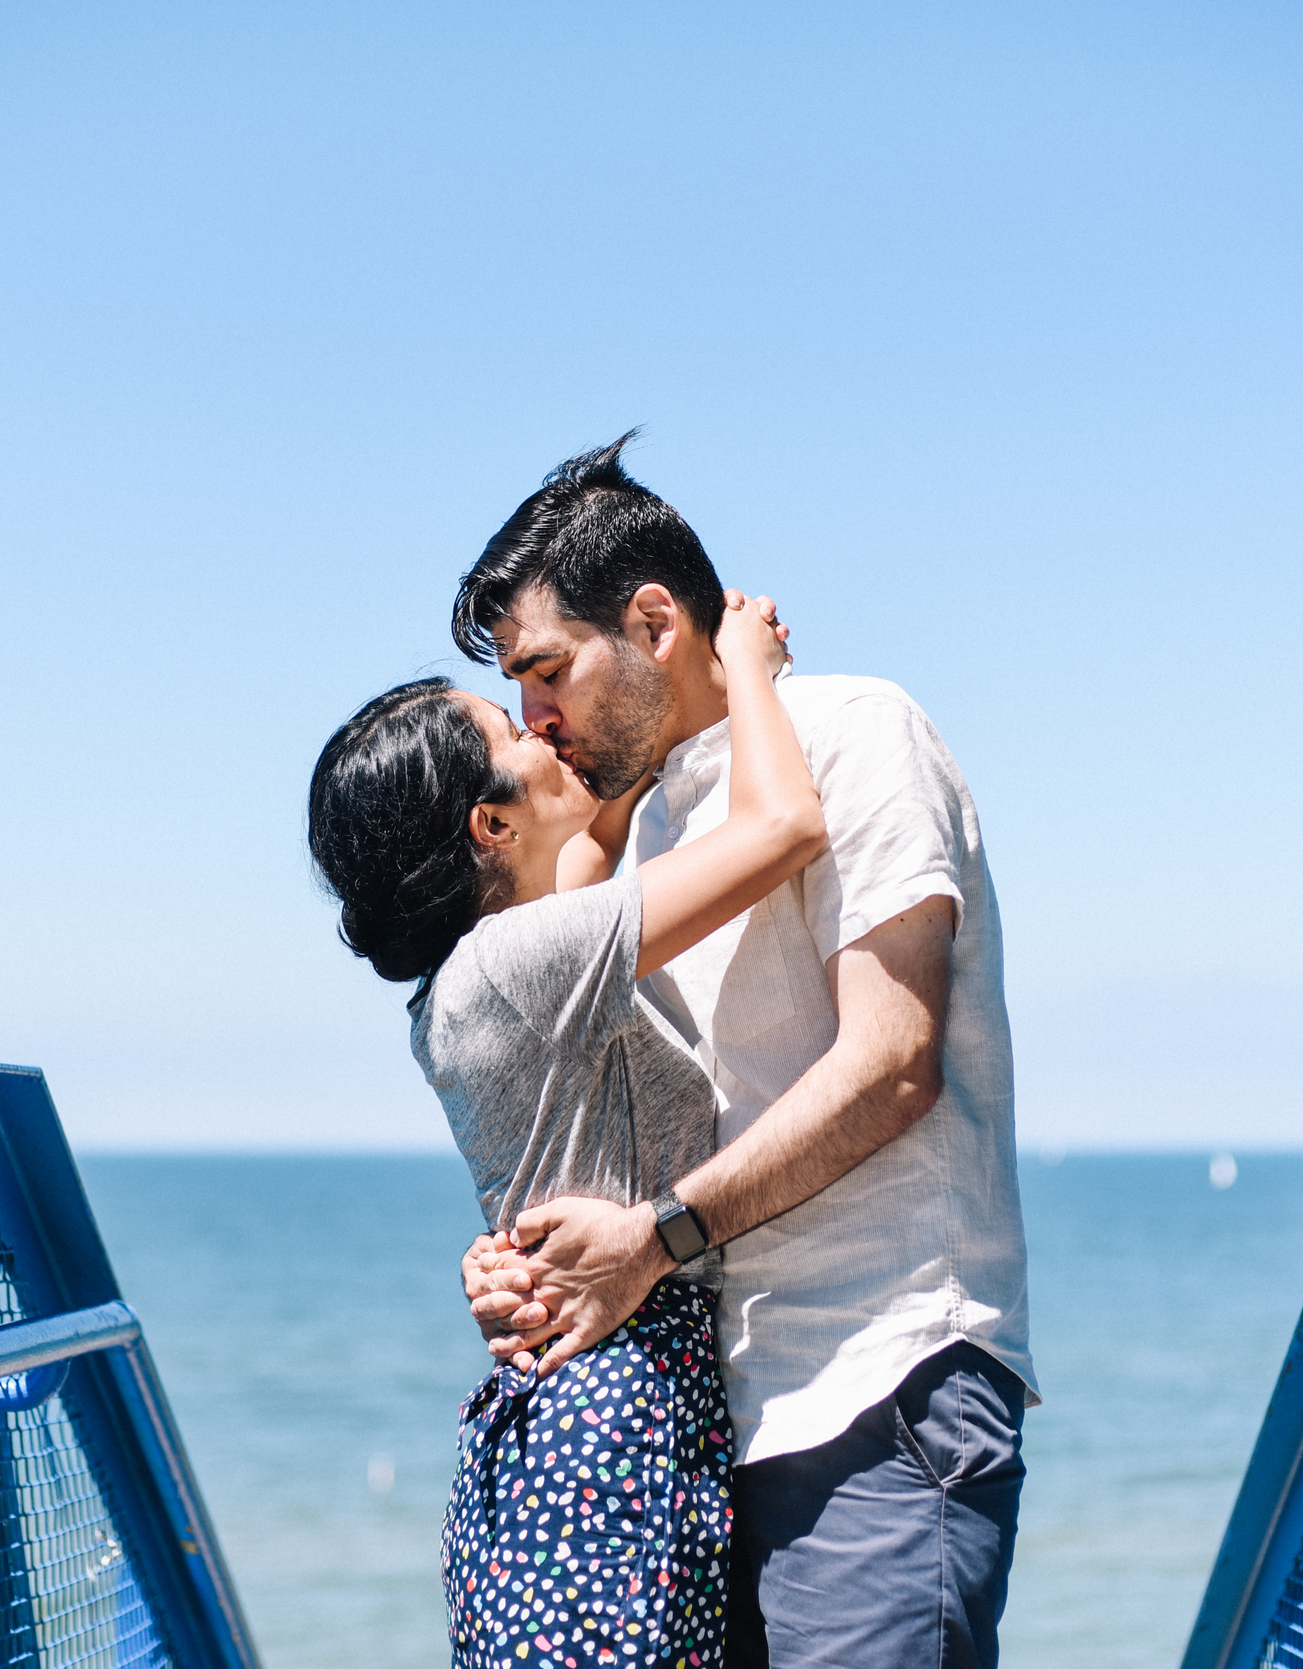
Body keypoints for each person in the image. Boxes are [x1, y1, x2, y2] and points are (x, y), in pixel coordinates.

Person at [455, 434, 1038, 1669]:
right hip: (718, 1425)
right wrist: (525, 1256)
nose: (532, 718)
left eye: (544, 671)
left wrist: (654, 1238)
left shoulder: (855, 731)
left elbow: (892, 1061)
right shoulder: (653, 822)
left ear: (656, 621)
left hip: (881, 1385)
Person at [306, 586, 820, 1669]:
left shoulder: (487, 967)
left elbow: (597, 829)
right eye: (508, 729)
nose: (537, 724)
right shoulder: (524, 963)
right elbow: (782, 827)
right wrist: (748, 668)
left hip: (578, 1421)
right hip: (608, 1433)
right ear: (488, 824)